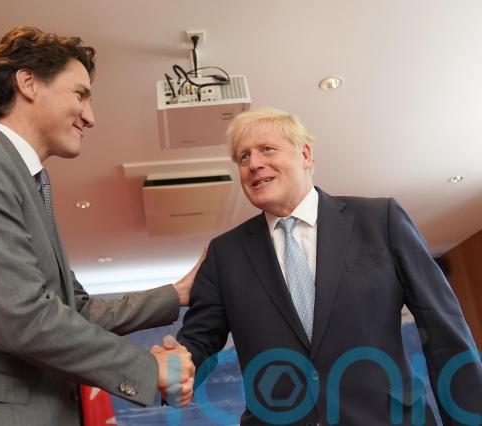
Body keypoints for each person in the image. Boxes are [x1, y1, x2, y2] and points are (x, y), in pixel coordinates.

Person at [0, 26, 197, 426]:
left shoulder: (30, 184)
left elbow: (73, 310)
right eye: (80, 94)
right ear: (28, 83)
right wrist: (148, 368)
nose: (90, 117)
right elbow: (22, 317)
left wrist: (177, 294)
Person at [177, 106, 482, 425]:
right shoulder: (225, 254)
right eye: (243, 157)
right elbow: (198, 341)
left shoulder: (380, 220)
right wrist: (174, 367)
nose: (254, 163)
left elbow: (443, 328)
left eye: (266, 149)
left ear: (304, 154)